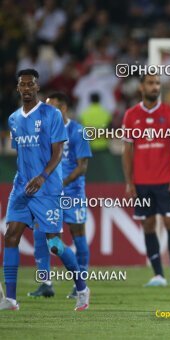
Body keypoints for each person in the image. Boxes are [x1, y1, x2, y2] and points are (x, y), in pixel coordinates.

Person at [1, 69, 89, 311]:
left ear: (37, 87)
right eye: (23, 85)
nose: (27, 88)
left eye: (31, 84)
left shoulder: (52, 115)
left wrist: (42, 176)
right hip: (22, 187)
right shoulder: (13, 119)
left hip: (47, 188)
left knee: (54, 245)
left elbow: (57, 152)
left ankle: (82, 287)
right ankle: (10, 299)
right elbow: (21, 153)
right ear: (18, 88)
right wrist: (26, 178)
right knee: (10, 236)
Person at [122, 74, 170, 287]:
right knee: (148, 225)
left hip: (166, 181)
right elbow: (127, 151)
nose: (155, 86)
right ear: (141, 87)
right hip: (141, 183)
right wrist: (129, 182)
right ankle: (158, 275)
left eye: (157, 83)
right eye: (150, 83)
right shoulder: (131, 115)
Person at [28, 92, 92, 299]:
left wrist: (60, 183)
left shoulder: (77, 131)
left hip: (72, 193)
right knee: (42, 235)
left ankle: (79, 284)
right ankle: (46, 282)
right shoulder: (44, 132)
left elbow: (82, 167)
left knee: (78, 235)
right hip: (49, 194)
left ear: (63, 109)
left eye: (51, 108)